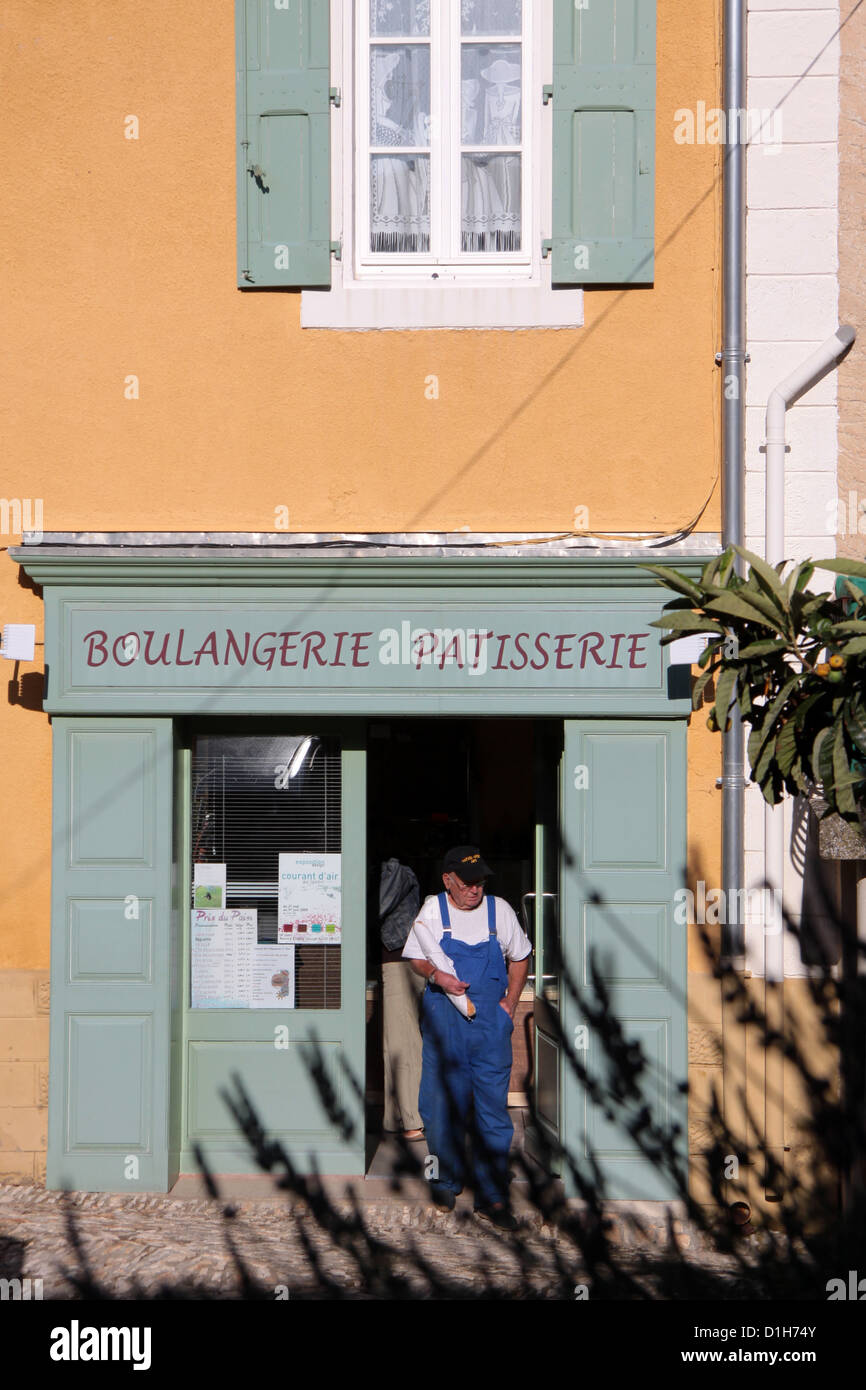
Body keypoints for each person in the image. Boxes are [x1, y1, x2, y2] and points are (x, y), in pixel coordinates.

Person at [402, 846, 532, 1230]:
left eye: (480, 882)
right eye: (467, 883)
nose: (475, 890)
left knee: (492, 1114)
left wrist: (509, 1003)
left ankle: (492, 1194)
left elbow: (521, 956)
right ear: (447, 881)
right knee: (438, 1109)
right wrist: (436, 975)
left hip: (490, 1027)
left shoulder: (500, 911)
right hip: (445, 1026)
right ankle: (441, 1180)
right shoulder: (432, 912)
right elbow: (415, 957)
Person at [378, 857, 425, 1141]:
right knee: (394, 1042)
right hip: (397, 960)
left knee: (402, 1042)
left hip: (401, 961)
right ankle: (398, 1118)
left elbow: (378, 907)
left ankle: (411, 1120)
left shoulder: (395, 867)